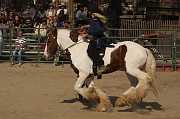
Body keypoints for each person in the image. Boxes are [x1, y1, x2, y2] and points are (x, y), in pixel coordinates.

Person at [82, 13, 107, 77]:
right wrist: (85, 27)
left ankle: (100, 65)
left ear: (95, 16)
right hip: (95, 39)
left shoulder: (96, 22)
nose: (91, 16)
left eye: (92, 15)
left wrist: (87, 35)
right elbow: (91, 26)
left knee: (90, 52)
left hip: (98, 40)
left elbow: (96, 31)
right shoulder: (95, 21)